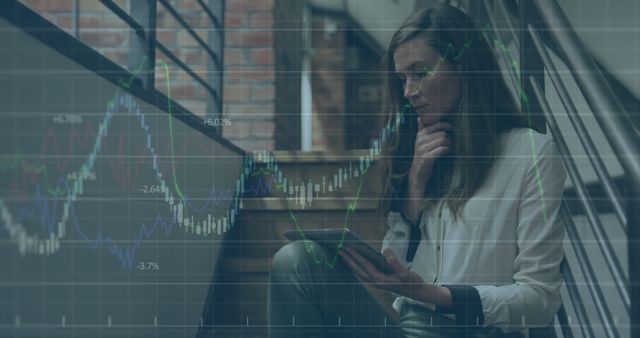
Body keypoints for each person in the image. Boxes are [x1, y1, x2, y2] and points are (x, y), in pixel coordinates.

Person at [268, 3, 567, 338]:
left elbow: (542, 297)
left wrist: (439, 295)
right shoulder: (415, 154)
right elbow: (396, 283)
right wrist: (413, 186)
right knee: (296, 261)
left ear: (465, 68)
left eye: (420, 72)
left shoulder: (530, 154)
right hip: (409, 329)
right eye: (403, 78)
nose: (409, 91)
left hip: (476, 330)